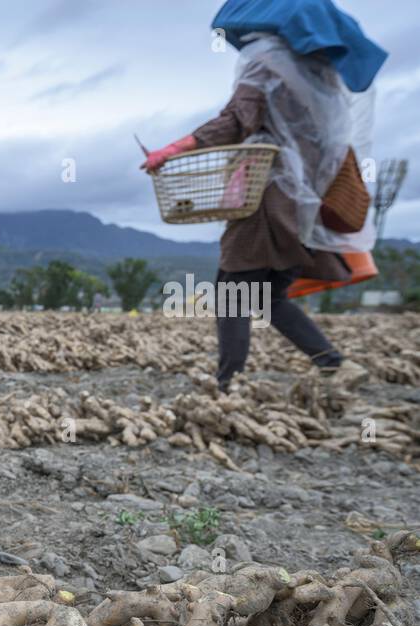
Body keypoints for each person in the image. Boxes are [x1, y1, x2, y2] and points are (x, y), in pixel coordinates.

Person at [142, 0, 386, 391]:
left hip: (266, 198)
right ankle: (334, 363)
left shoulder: (266, 63)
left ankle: (228, 381)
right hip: (307, 203)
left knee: (232, 291)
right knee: (267, 295)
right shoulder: (325, 78)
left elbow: (235, 120)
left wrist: (172, 150)